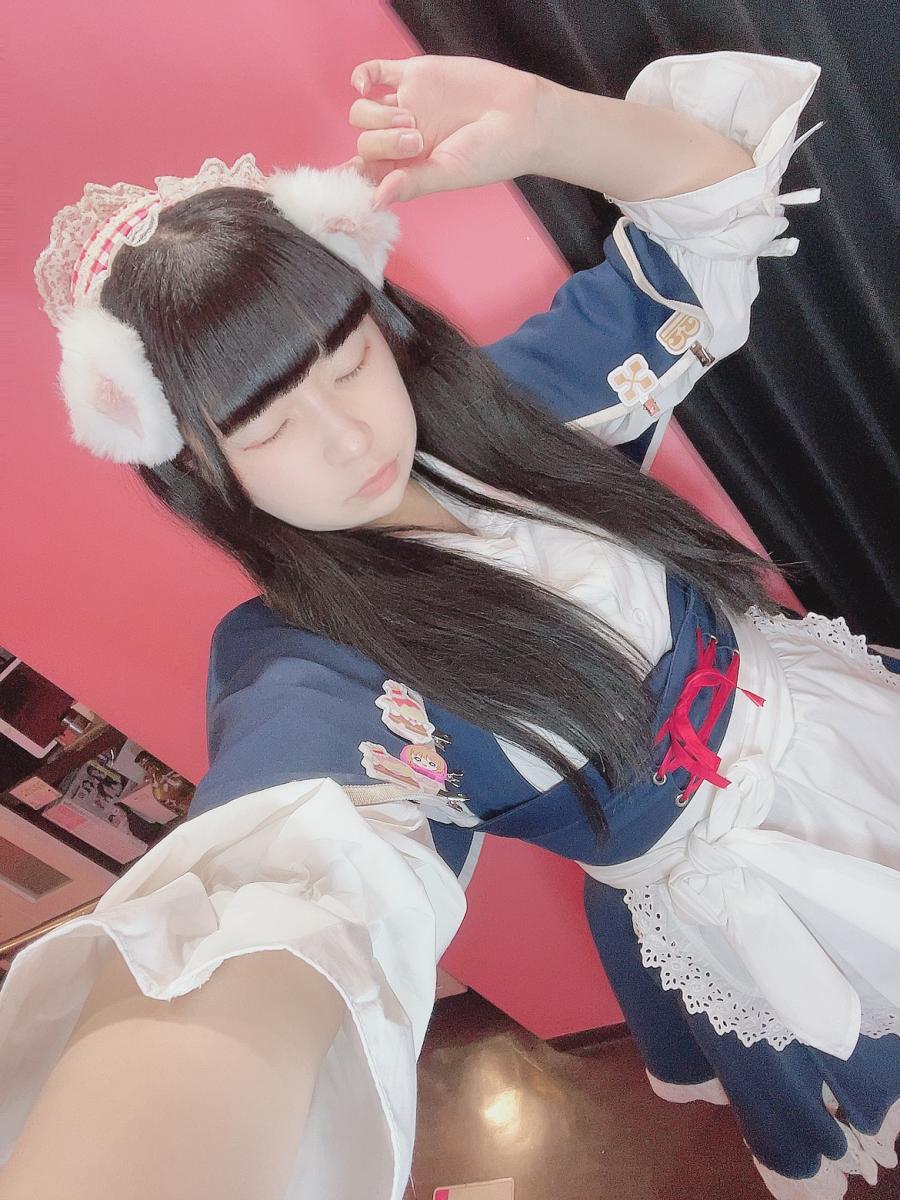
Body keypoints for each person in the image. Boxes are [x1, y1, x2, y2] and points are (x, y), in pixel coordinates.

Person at [1, 46, 898, 1200]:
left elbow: (707, 219)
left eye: (347, 359)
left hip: (849, 726)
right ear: (197, 473)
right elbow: (280, 889)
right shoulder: (311, 665)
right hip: (763, 911)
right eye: (266, 426)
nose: (348, 437)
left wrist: (549, 125)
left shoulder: (518, 415)